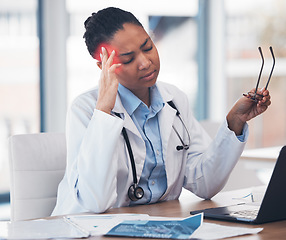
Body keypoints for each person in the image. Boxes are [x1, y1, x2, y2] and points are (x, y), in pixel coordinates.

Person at [52, 7, 271, 216]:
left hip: (157, 225)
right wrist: (104, 112)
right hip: (87, 230)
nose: (145, 63)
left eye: (148, 47)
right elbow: (96, 202)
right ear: (104, 66)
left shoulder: (174, 100)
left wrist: (236, 121)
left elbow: (205, 183)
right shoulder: (86, 109)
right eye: (128, 59)